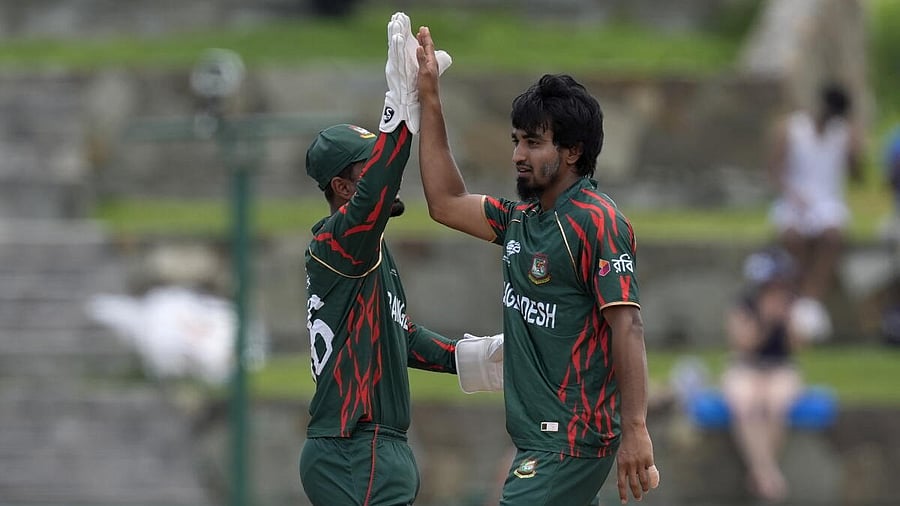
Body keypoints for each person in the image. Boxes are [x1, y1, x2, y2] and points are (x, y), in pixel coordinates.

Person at [413, 25, 659, 506]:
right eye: (516, 141)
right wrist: (429, 99)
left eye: (532, 143)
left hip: (570, 439)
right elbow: (445, 201)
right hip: (540, 440)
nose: (517, 156)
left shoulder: (596, 221)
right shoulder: (521, 219)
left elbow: (627, 327)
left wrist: (636, 431)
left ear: (572, 151)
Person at [299, 14, 502, 506]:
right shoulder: (338, 244)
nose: (387, 177)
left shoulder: (367, 252)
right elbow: (375, 195)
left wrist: (469, 358)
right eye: (370, 171)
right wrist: (400, 109)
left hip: (372, 449)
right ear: (344, 188)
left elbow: (399, 336)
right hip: (355, 448)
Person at [767, 83, 864, 331]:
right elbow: (775, 171)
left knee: (831, 237)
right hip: (794, 200)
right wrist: (792, 193)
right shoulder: (791, 128)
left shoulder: (843, 133)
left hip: (828, 202)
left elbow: (857, 175)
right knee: (793, 239)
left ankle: (810, 301)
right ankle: (801, 298)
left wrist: (855, 148)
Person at [721, 248, 810, 503]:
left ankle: (760, 473)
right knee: (745, 401)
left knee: (776, 402)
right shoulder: (743, 305)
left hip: (781, 367)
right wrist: (766, 321)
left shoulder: (793, 304)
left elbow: (798, 347)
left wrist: (789, 321)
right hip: (747, 366)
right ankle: (768, 474)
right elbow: (742, 345)